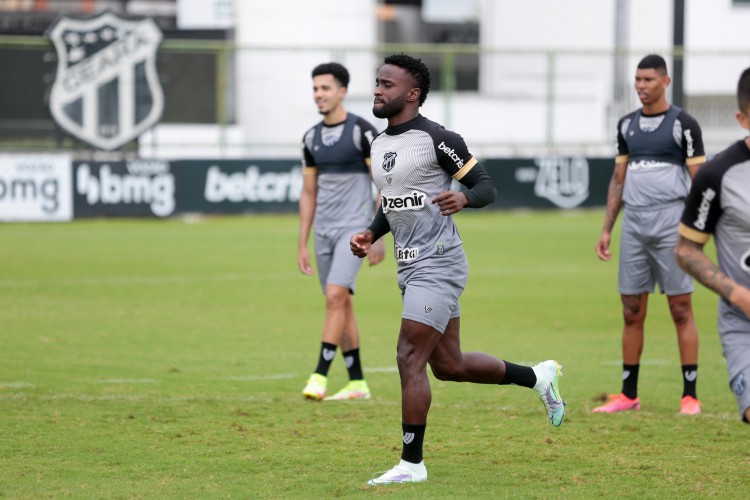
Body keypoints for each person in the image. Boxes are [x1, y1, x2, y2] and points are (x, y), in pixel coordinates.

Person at [350, 53, 566, 486]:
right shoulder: (378, 144)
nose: (377, 89)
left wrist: (464, 199)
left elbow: (485, 185)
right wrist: (371, 235)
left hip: (440, 262)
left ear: (412, 94)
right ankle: (537, 377)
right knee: (448, 365)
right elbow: (393, 203)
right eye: (377, 82)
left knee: (408, 356)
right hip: (409, 265)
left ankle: (412, 465)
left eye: (387, 84)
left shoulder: (437, 139)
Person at [593, 54, 706, 415]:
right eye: (638, 80)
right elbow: (618, 179)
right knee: (631, 310)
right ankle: (629, 395)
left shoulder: (683, 124)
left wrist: (697, 231)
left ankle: (690, 395)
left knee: (680, 308)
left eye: (648, 80)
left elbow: (700, 182)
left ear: (665, 82)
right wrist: (607, 228)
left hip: (672, 222)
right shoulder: (626, 126)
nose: (641, 86)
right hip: (635, 225)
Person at [298, 62, 385, 401]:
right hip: (322, 231)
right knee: (341, 302)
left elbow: (384, 186)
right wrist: (302, 243)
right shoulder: (310, 138)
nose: (319, 95)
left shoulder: (362, 132)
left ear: (342, 91)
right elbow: (308, 193)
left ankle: (319, 376)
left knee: (335, 297)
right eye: (315, 89)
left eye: (325, 88)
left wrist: (375, 234)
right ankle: (358, 383)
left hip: (354, 231)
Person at [675, 66, 750, 424]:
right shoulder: (717, 174)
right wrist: (737, 295)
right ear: (742, 118)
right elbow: (686, 250)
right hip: (743, 322)